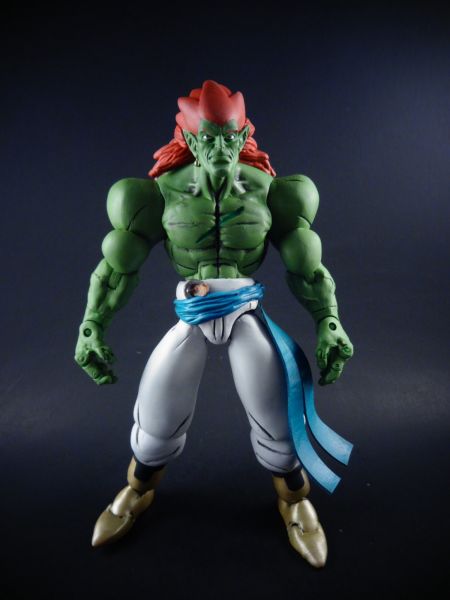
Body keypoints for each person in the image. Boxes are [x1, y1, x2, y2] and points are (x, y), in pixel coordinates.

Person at [75, 80, 354, 568]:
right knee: (156, 416)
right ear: (189, 139)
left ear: (243, 135)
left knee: (278, 417)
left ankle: (294, 500)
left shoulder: (275, 193)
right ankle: (137, 490)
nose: (220, 149)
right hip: (190, 314)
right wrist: (91, 325)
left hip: (245, 312)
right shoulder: (154, 195)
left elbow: (308, 269)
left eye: (229, 138)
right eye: (208, 139)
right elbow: (117, 269)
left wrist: (329, 320)